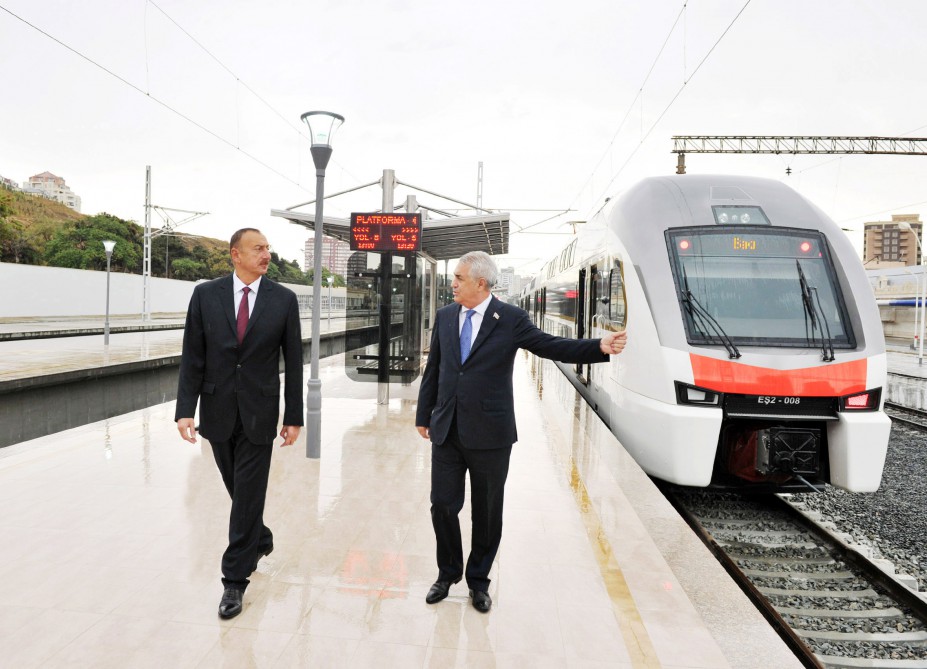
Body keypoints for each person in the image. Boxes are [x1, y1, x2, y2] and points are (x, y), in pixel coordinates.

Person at [415, 251, 627, 613]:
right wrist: (424, 415)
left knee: (487, 512)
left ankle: (478, 581)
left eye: (459, 278)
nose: (453, 284)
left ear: (481, 283)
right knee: (443, 506)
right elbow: (434, 368)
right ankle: (447, 573)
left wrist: (598, 347)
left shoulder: (510, 319)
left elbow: (549, 345)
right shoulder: (446, 316)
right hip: (447, 429)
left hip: (491, 434)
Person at [175, 228, 303, 620]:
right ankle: (259, 537)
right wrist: (185, 409)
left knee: (247, 493)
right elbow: (193, 356)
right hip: (217, 410)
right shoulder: (205, 295)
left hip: (260, 412)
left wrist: (293, 416)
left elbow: (294, 361)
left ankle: (234, 579)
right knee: (238, 488)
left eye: (268, 248)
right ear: (236, 254)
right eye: (258, 248)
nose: (267, 254)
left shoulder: (283, 299)